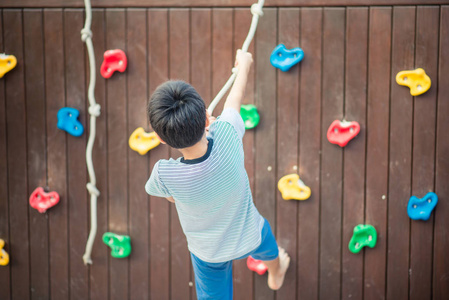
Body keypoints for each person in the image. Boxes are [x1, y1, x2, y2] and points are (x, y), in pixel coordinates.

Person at [145, 50, 290, 299]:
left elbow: (170, 197)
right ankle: (276, 273)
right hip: (248, 233)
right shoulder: (227, 133)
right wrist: (243, 65)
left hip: (207, 252)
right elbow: (234, 100)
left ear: (159, 138)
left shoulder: (164, 174)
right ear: (206, 119)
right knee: (269, 249)